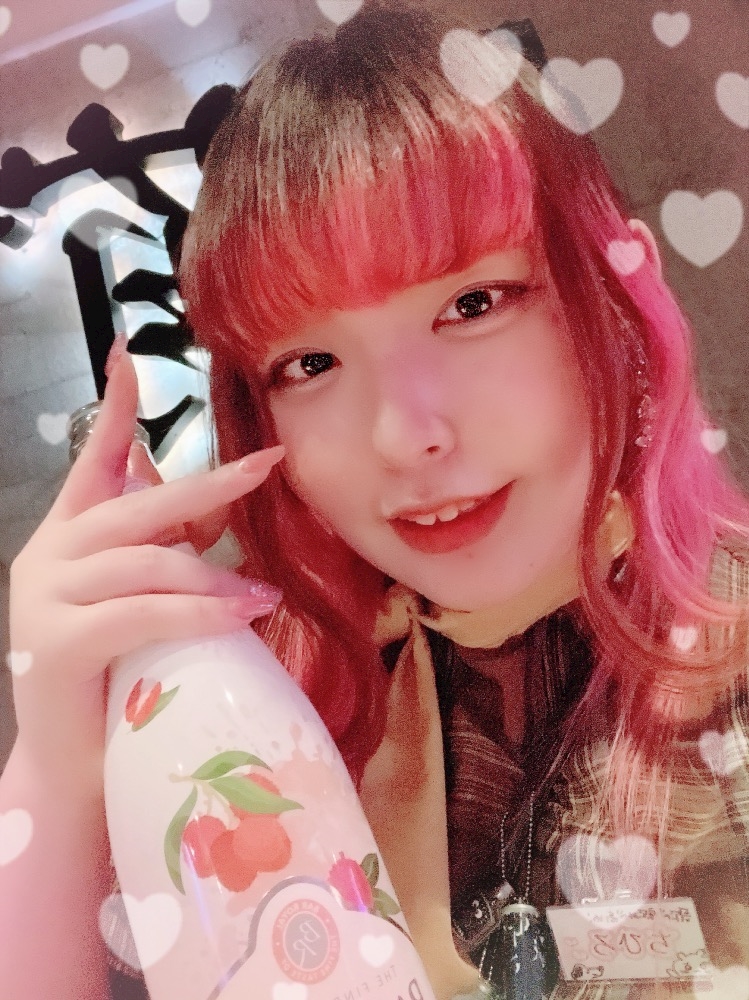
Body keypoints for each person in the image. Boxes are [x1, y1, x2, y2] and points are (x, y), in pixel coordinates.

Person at [2, 4, 749, 999]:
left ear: (613, 299)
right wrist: (54, 769)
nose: (403, 435)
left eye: (472, 304)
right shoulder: (265, 699)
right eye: (309, 363)